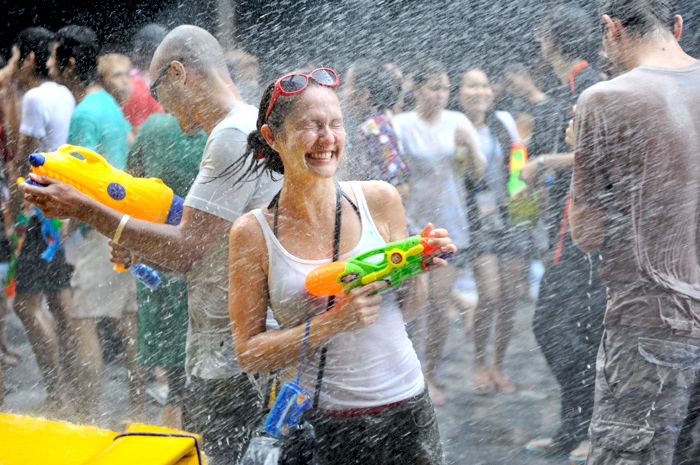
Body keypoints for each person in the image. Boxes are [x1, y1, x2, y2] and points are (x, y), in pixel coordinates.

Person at [20, 25, 281, 463]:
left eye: (158, 89)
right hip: (233, 346)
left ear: (179, 73)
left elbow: (187, 247)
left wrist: (84, 209)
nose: (159, 106)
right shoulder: (242, 125)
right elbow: (210, 244)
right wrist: (141, 247)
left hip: (232, 357)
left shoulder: (231, 135)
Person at [228, 67, 455, 465]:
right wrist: (333, 323)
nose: (328, 139)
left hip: (407, 411)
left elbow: (410, 310)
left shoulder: (380, 200)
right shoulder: (252, 233)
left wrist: (415, 266)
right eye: (311, 126)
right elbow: (248, 353)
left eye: (335, 124)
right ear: (273, 137)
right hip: (320, 424)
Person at [569, 1, 700, 463]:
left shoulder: (604, 100)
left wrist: (582, 151)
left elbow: (586, 233)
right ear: (678, 27)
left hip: (650, 325)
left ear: (611, 29)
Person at [515, 6, 608, 462]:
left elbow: (604, 155)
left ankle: (588, 428)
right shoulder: (572, 86)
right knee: (572, 330)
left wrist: (543, 164)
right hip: (566, 232)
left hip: (582, 236)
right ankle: (574, 429)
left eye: (541, 37)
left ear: (550, 41)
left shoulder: (589, 85)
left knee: (560, 328)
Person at [46, 25, 146, 424]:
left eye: (55, 57)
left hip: (98, 230)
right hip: (123, 224)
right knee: (128, 321)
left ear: (70, 63)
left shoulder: (85, 112)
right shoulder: (106, 103)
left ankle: (86, 416)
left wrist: (67, 228)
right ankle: (139, 408)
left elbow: (81, 179)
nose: (50, 64)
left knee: (82, 319)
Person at [392, 59, 481, 406]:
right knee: (407, 304)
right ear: (415, 89)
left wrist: (469, 146)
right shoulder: (401, 125)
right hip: (410, 226)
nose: (441, 94)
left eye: (445, 87)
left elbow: (477, 174)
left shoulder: (457, 122)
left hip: (450, 223)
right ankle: (405, 374)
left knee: (439, 303)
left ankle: (430, 372)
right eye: (434, 87)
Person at [4, 27, 76, 417]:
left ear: (28, 60)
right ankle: (72, 389)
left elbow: (24, 161)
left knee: (25, 306)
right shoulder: (65, 93)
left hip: (36, 213)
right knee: (59, 302)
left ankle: (57, 393)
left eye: (15, 58)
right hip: (61, 209)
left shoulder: (33, 97)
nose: (12, 66)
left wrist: (13, 213)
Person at [126, 111, 207, 429]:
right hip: (208, 254)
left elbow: (130, 183)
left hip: (158, 249)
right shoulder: (223, 128)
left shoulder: (155, 126)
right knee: (202, 360)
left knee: (172, 361)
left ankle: (172, 410)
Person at [457, 66, 530, 395]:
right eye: (472, 86)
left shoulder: (503, 120)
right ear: (459, 92)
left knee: (511, 296)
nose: (480, 92)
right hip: (476, 221)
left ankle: (498, 364)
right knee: (489, 294)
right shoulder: (454, 125)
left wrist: (525, 212)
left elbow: (517, 163)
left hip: (512, 217)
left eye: (485, 85)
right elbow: (465, 176)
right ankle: (478, 361)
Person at [342, 58, 411, 194]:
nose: (342, 93)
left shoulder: (373, 128)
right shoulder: (381, 121)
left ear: (363, 94)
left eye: (346, 86)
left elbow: (399, 187)